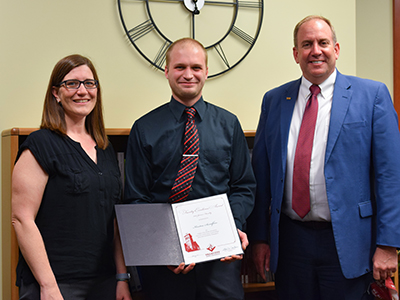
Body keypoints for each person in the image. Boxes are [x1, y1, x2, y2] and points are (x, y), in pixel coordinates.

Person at [247, 15, 400, 300]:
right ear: (296, 54)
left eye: (323, 43)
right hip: (291, 242)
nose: (315, 50)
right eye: (306, 44)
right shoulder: (274, 100)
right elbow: (262, 176)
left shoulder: (372, 95)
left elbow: (390, 176)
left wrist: (389, 244)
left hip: (349, 242)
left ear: (337, 49)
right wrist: (259, 238)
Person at [124, 38, 256, 300]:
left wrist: (233, 226)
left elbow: (243, 187)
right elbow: (136, 198)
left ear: (206, 72)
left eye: (196, 67)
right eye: (180, 67)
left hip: (221, 258)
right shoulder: (144, 128)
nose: (188, 74)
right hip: (167, 263)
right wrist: (163, 250)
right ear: (167, 71)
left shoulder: (229, 124)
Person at [11, 54, 132, 300]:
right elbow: (21, 219)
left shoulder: (106, 149)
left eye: (89, 83)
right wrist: (48, 286)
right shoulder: (40, 144)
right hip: (56, 284)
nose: (82, 91)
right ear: (56, 93)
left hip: (104, 282)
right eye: (72, 83)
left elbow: (115, 221)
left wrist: (121, 277)